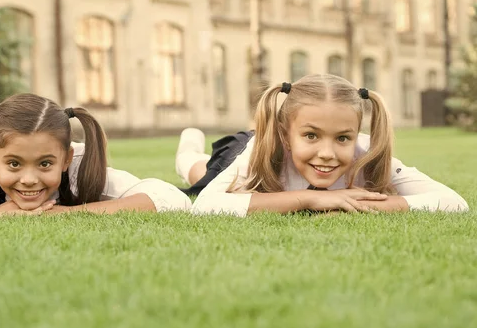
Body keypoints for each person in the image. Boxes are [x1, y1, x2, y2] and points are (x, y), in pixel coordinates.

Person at [175, 74, 469, 216]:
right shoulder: (265, 149)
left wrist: (367, 204)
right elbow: (205, 205)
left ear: (356, 135)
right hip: (248, 149)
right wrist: (313, 199)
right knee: (201, 175)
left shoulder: (367, 155)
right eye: (311, 136)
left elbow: (455, 202)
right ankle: (187, 148)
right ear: (285, 134)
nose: (327, 154)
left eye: (342, 138)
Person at [0, 93, 191, 221]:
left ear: (66, 159)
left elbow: (172, 198)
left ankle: (189, 151)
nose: (29, 179)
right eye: (13, 164)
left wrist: (63, 214)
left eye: (45, 164)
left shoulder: (81, 165)